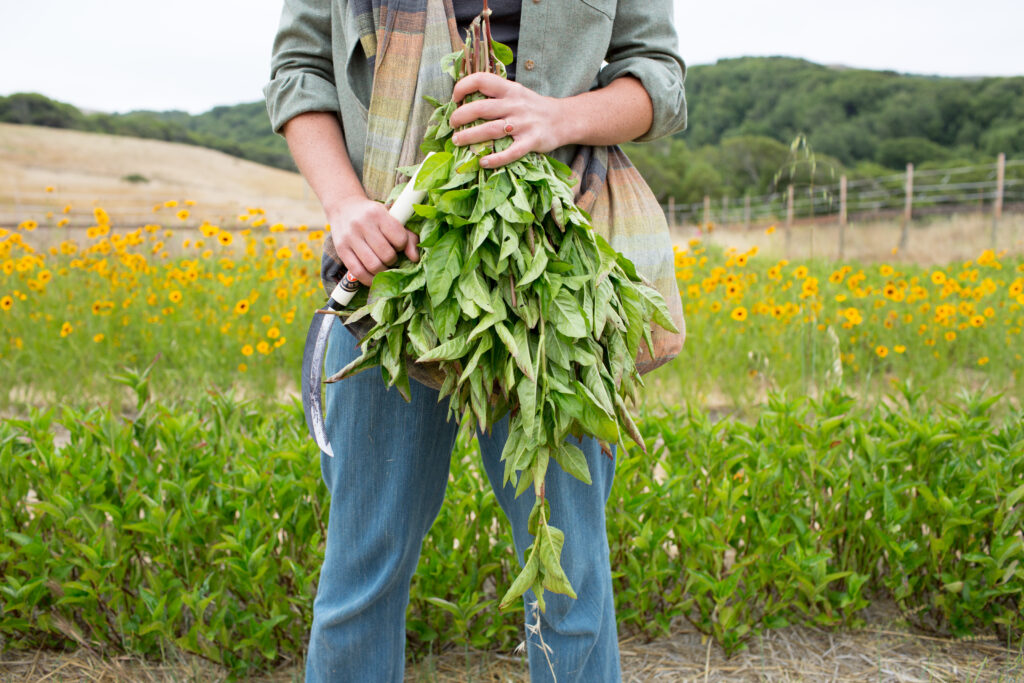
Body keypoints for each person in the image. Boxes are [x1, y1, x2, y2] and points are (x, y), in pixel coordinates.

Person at [264, 1, 686, 680]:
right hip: (389, 271)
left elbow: (658, 77)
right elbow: (299, 70)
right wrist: (344, 204)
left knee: (569, 581)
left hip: (551, 269)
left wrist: (557, 117)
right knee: (359, 574)